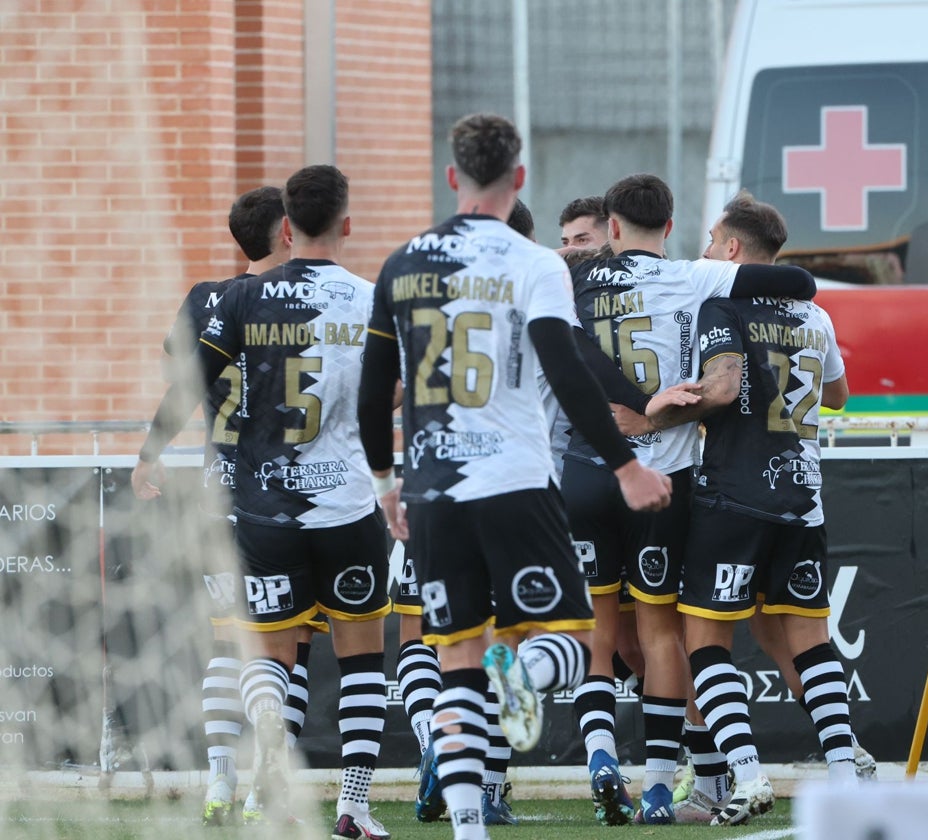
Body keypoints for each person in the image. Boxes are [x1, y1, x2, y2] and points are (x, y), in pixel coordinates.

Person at [357, 112, 673, 840]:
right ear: (519, 179)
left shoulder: (402, 263)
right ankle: (522, 676)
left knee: (456, 660)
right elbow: (565, 368)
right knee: (566, 640)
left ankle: (470, 830)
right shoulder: (536, 263)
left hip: (433, 486)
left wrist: (385, 485)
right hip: (516, 482)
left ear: (451, 177)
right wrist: (625, 465)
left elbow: (375, 393)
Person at [133, 165, 393, 840]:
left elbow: (192, 377)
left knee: (259, 654)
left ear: (285, 226)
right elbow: (393, 393)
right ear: (346, 223)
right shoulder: (370, 298)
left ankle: (246, 758)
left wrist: (149, 452)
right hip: (345, 502)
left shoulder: (235, 299)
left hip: (256, 506)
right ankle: (355, 805)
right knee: (362, 657)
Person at [561, 174, 817, 825]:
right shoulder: (696, 275)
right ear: (670, 228)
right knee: (663, 633)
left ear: (611, 230)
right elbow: (800, 285)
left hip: (591, 471)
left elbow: (572, 350)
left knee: (599, 636)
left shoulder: (576, 279)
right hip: (665, 481)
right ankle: (655, 786)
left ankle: (599, 756)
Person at [634, 190, 860, 825]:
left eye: (711, 240)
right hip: (803, 494)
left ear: (733, 249)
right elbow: (840, 394)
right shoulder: (815, 315)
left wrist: (661, 407)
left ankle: (747, 773)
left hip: (734, 491)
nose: (705, 250)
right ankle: (846, 773)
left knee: (704, 636)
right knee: (810, 640)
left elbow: (722, 387)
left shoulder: (721, 302)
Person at [157, 185, 327, 826]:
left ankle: (219, 782)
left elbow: (181, 375)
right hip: (293, 495)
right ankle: (264, 784)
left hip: (216, 491)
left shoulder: (208, 298)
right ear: (289, 231)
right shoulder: (312, 298)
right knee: (292, 646)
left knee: (226, 647)